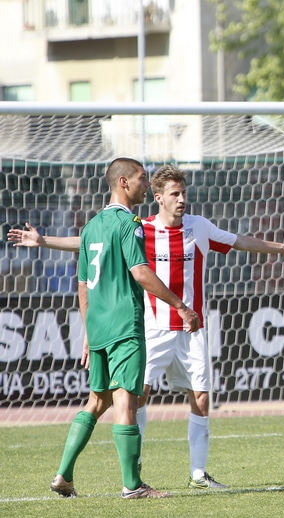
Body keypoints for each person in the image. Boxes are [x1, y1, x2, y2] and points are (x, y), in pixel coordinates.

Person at [12, 165, 284, 490]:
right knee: (135, 397)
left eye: (184, 193)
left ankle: (197, 473)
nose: (182, 199)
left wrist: (281, 248)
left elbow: (239, 241)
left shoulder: (199, 227)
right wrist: (45, 242)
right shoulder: (140, 227)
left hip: (190, 330)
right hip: (148, 327)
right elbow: (87, 244)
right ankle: (134, 473)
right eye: (175, 194)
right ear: (158, 198)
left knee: (199, 396)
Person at [46, 158, 201, 499]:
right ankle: (133, 485)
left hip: (99, 327)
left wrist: (88, 332)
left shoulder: (92, 226)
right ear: (123, 182)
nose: (146, 185)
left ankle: (63, 475)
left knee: (96, 401)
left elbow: (83, 284)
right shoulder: (129, 223)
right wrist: (181, 305)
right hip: (124, 325)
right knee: (125, 401)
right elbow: (141, 272)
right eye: (142, 179)